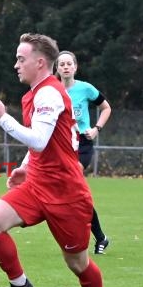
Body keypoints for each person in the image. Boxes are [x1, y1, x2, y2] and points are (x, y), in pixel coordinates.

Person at [0, 33, 111, 287]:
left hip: (67, 192)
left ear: (40, 63)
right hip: (37, 184)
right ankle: (19, 284)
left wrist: (3, 118)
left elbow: (39, 140)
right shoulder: (35, 93)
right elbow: (45, 144)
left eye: (21, 58)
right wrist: (25, 168)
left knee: (77, 263)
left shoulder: (50, 94)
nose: (16, 64)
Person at [56, 50, 112, 254]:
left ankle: (83, 236)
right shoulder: (52, 91)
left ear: (75, 67)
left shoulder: (85, 88)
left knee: (72, 184)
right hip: (62, 147)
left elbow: (106, 108)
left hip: (83, 145)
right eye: (61, 64)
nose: (65, 67)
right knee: (75, 194)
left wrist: (96, 129)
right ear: (57, 69)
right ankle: (101, 237)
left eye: (69, 63)